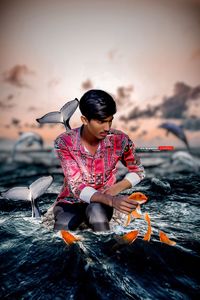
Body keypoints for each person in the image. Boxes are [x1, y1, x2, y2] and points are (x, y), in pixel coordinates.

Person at [53, 89, 145, 232]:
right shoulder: (63, 142)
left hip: (102, 205)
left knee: (97, 214)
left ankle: (108, 253)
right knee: (63, 225)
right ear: (84, 120)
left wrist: (114, 190)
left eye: (110, 120)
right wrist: (113, 201)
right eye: (101, 121)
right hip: (71, 201)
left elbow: (138, 171)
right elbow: (77, 186)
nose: (107, 128)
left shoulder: (120, 139)